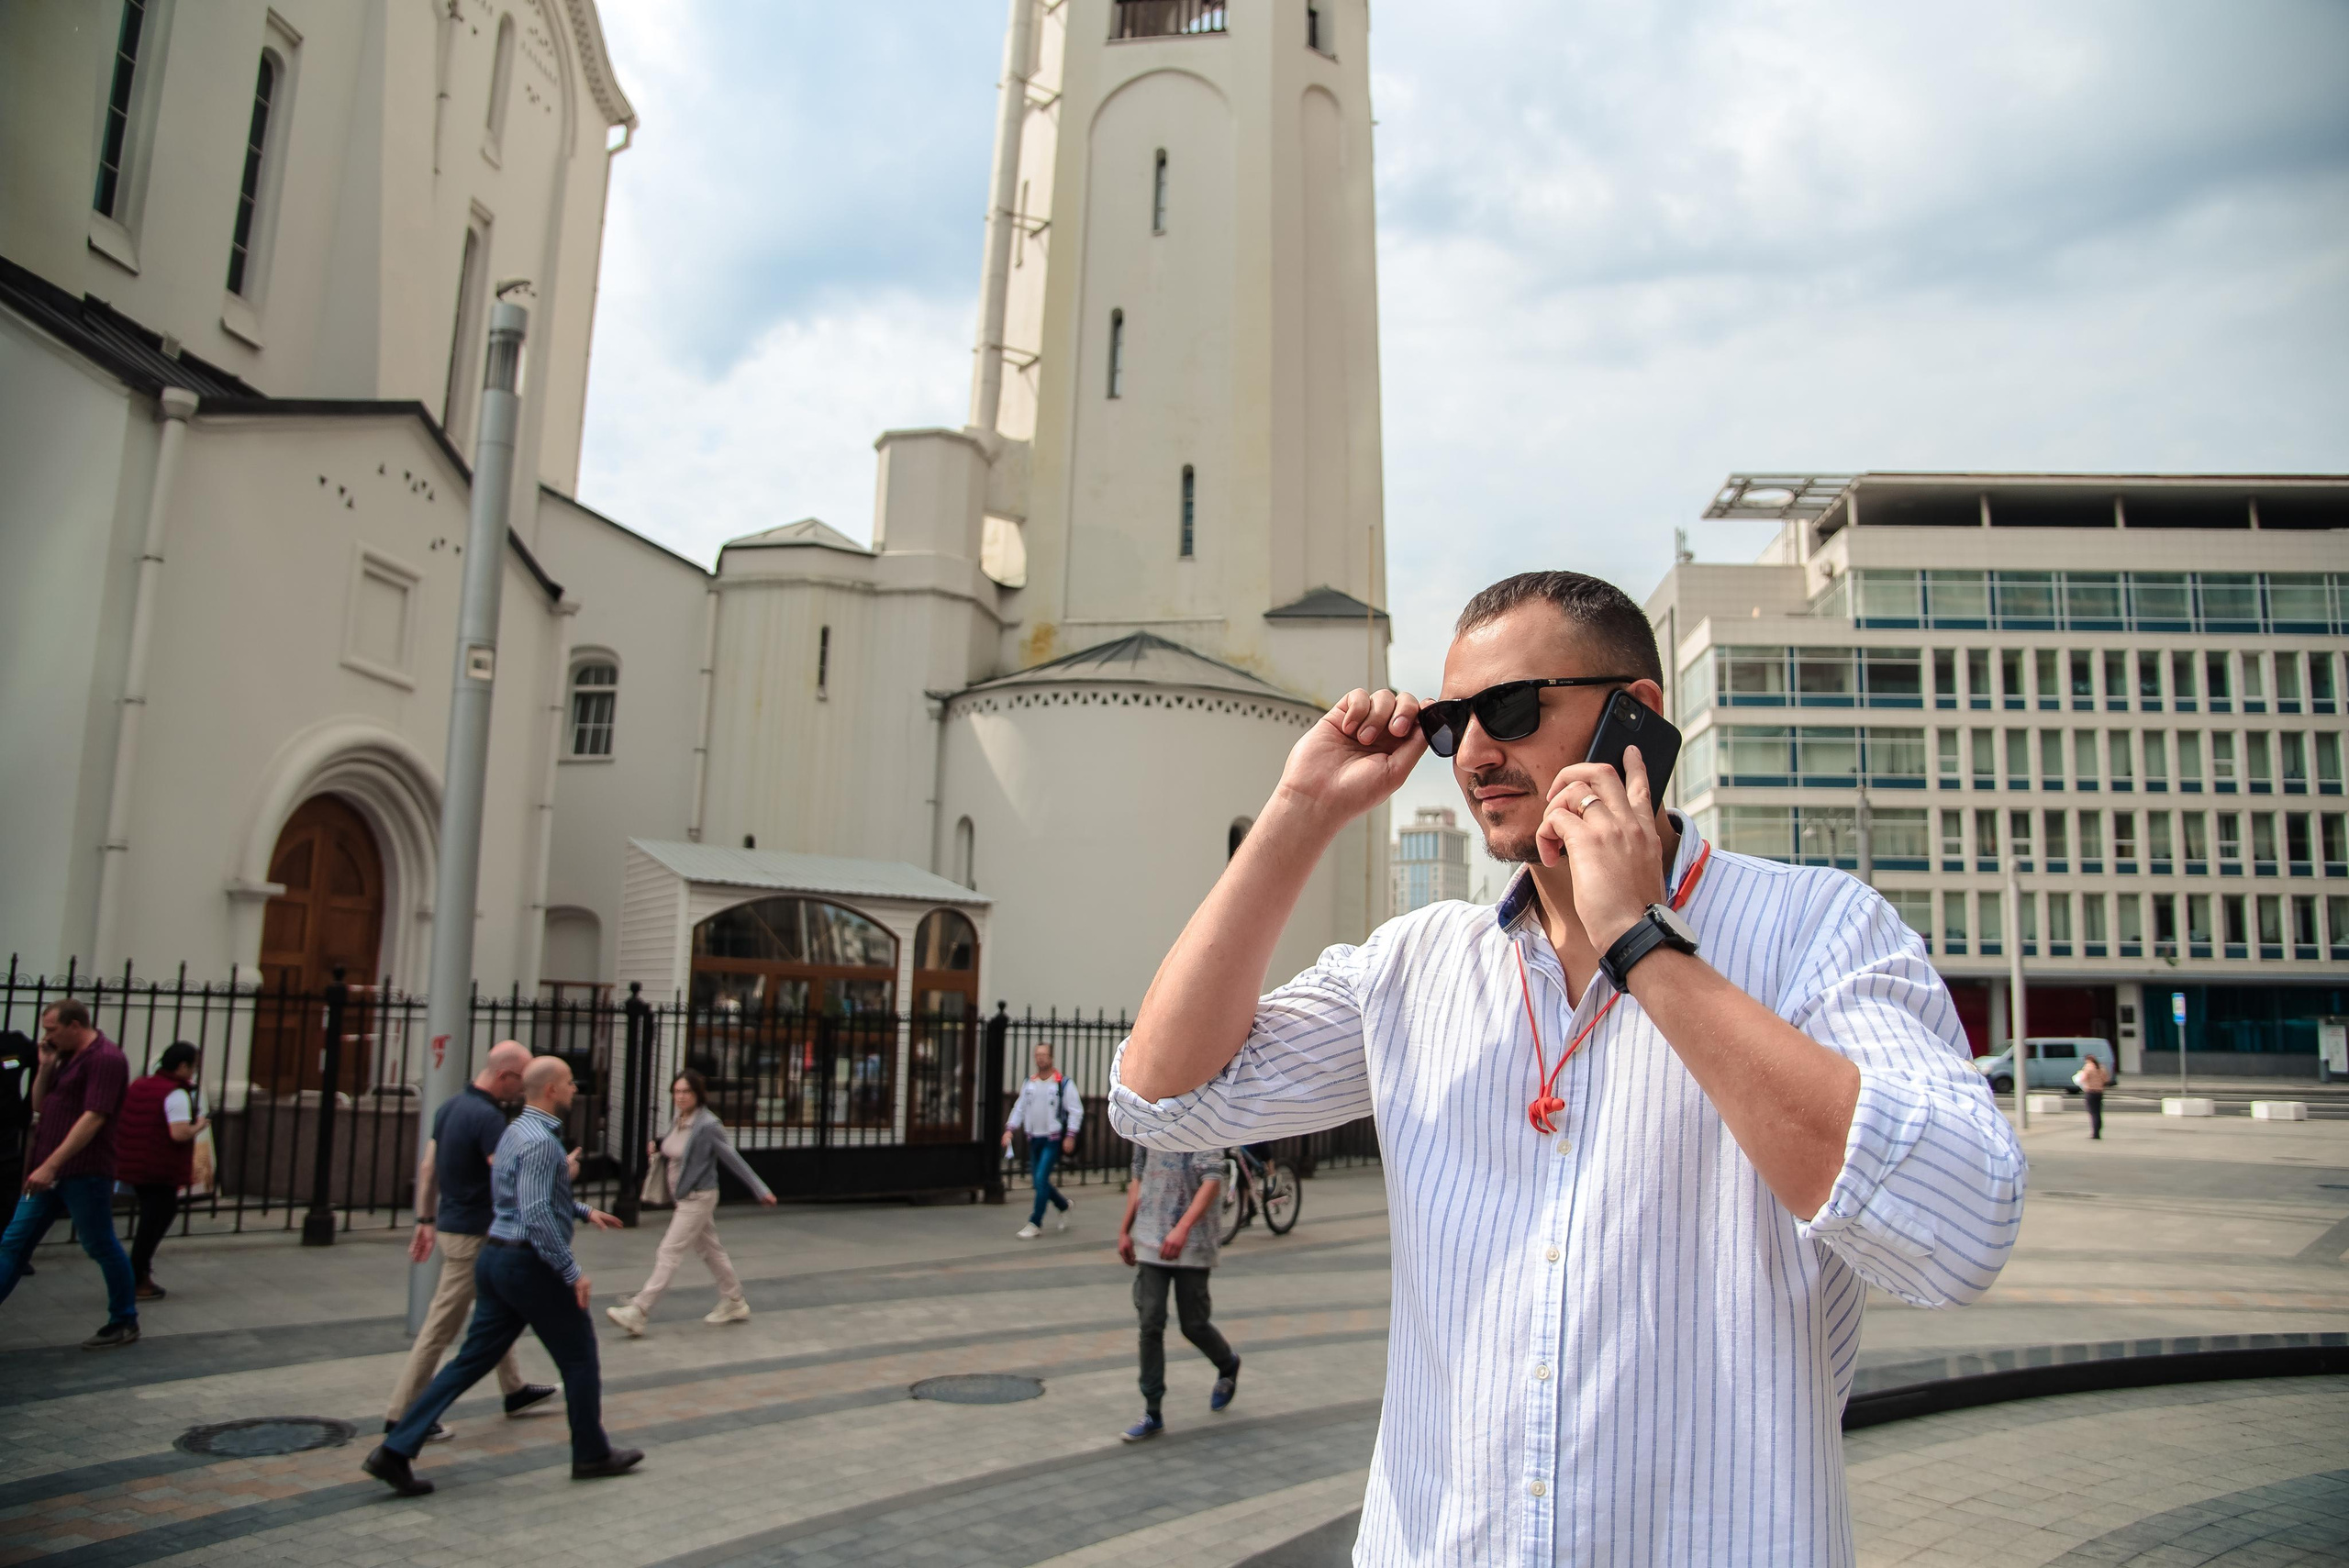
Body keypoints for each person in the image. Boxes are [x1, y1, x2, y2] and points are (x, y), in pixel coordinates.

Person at [1109, 572, 2025, 1564]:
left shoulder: (1818, 931)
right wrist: (1298, 811)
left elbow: (1960, 1225)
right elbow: (1164, 1098)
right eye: (1453, 721)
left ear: (1637, 713)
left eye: (1510, 706)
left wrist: (1638, 938)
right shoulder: (1416, 966)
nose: (1477, 753)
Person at [366, 1055, 639, 1496]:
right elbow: (533, 1213)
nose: (575, 1088)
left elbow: (518, 1197)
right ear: (551, 1089)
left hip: (494, 1257)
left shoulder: (513, 1132)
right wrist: (572, 1272)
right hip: (527, 1264)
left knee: (470, 1360)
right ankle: (591, 1454)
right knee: (579, 1357)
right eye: (570, 1082)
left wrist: (584, 1211)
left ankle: (394, 1451)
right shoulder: (541, 1143)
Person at [384, 1040, 556, 1442]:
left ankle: (514, 1390)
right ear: (504, 1076)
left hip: (455, 1227)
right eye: (522, 1079)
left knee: (500, 1310)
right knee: (439, 1330)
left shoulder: (449, 1108)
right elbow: (508, 1176)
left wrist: (425, 1219)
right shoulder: (488, 1119)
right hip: (474, 1235)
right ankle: (402, 1415)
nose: (525, 1088)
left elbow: (428, 1168)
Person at [0, 1001, 140, 1348]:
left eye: (52, 1029)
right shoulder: (65, 1056)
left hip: (83, 1171)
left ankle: (124, 1319)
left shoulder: (105, 1059)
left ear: (75, 1024)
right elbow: (38, 1105)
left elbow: (94, 1117)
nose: (46, 1036)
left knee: (100, 1243)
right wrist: (46, 1067)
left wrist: (50, 1165)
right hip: (48, 1171)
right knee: (13, 1243)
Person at [606, 1069, 776, 1336]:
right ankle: (735, 1301)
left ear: (698, 1094)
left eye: (687, 1092)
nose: (681, 1097)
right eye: (677, 1092)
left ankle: (639, 1310)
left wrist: (760, 1189)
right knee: (711, 1250)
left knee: (669, 1251)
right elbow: (678, 1149)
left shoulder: (708, 1126)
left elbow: (732, 1159)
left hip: (698, 1196)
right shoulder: (680, 1120)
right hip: (684, 1196)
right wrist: (659, 1146)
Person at [1115, 1144, 1241, 1442]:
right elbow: (1138, 1176)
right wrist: (1124, 1230)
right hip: (1150, 1237)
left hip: (1193, 1241)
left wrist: (1182, 1228)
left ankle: (1227, 1363)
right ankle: (1152, 1410)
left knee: (1194, 1324)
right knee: (1150, 1322)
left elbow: (1212, 1179)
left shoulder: (1203, 1113)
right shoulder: (1145, 1115)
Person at [113, 1041, 210, 1300]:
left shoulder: (140, 1085)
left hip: (135, 1163)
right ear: (182, 1066)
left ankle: (138, 1274)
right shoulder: (175, 1093)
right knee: (154, 1222)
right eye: (193, 1066)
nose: (194, 1072)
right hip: (159, 1167)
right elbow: (178, 1134)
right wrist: (198, 1126)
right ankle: (136, 1276)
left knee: (149, 1218)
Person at [1001, 1043, 1080, 1239]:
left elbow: (1076, 1110)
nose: (1040, 1058)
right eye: (1037, 1055)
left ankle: (1035, 1222)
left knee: (1040, 1179)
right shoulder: (1030, 1083)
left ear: (1051, 1058)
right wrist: (1010, 1129)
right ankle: (1063, 1205)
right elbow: (1019, 1108)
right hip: (1033, 1137)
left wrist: (1070, 1135)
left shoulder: (1062, 1083)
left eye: (1044, 1055)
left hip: (1052, 1139)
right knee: (1040, 1182)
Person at [2075, 1052, 2110, 1139]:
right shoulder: (2101, 1067)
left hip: (2090, 1092)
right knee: (2098, 1113)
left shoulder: (2088, 1067)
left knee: (2093, 1113)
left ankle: (2095, 1134)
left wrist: (2080, 1075)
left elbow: (2082, 1079)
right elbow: (2106, 1079)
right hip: (2099, 1092)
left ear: (2087, 1060)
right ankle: (2098, 1131)